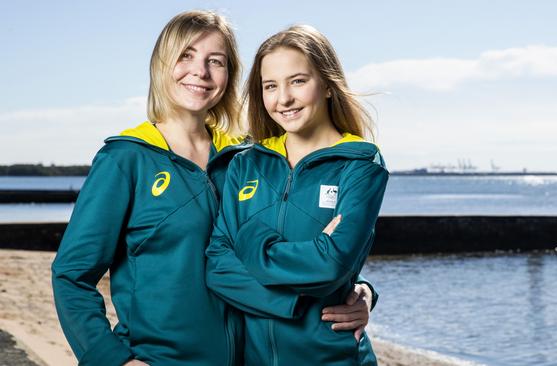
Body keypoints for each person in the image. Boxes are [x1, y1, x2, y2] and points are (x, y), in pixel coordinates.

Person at [51, 11, 375, 366]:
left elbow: (308, 240)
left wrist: (360, 292)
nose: (200, 72)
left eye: (215, 61)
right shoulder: (125, 159)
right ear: (162, 65)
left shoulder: (249, 158)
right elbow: (71, 276)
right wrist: (114, 360)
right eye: (185, 55)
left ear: (230, 74)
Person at [205, 25, 389, 365]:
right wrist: (296, 305)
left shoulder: (360, 163)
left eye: (298, 81)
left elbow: (330, 264)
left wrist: (249, 243)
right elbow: (217, 267)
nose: (283, 98)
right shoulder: (246, 164)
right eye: (270, 86)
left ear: (328, 85)